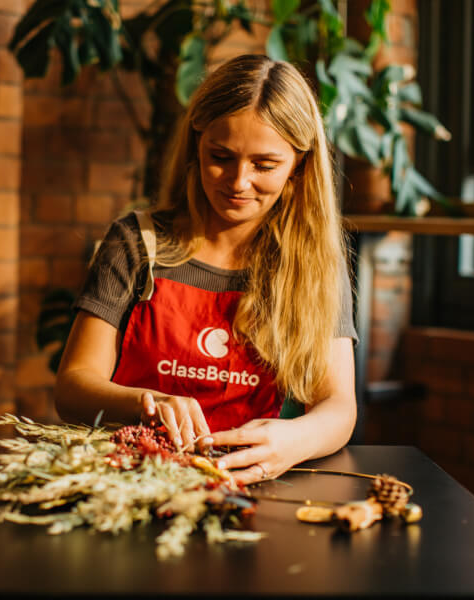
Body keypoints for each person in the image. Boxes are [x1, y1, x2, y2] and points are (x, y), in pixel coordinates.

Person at [56, 53, 357, 486]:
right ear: (196, 143)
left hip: (254, 486)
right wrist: (150, 401)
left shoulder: (315, 266)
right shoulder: (136, 242)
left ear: (298, 166)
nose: (238, 182)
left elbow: (339, 408)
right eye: (221, 156)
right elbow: (73, 387)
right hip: (131, 479)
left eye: (264, 165)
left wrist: (296, 441)